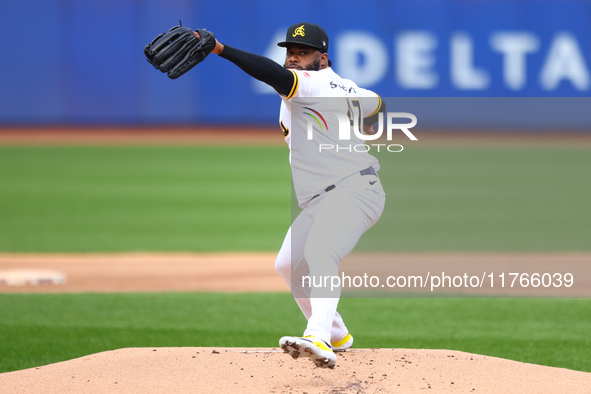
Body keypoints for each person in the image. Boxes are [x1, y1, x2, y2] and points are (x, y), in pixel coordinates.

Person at [207, 22, 386, 369]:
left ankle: (317, 335)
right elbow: (376, 103)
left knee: (321, 252)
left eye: (302, 53)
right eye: (290, 52)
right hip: (326, 197)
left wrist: (221, 49)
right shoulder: (342, 85)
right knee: (287, 264)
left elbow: (273, 75)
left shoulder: (312, 83)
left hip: (353, 191)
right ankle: (337, 332)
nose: (293, 59)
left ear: (323, 57)